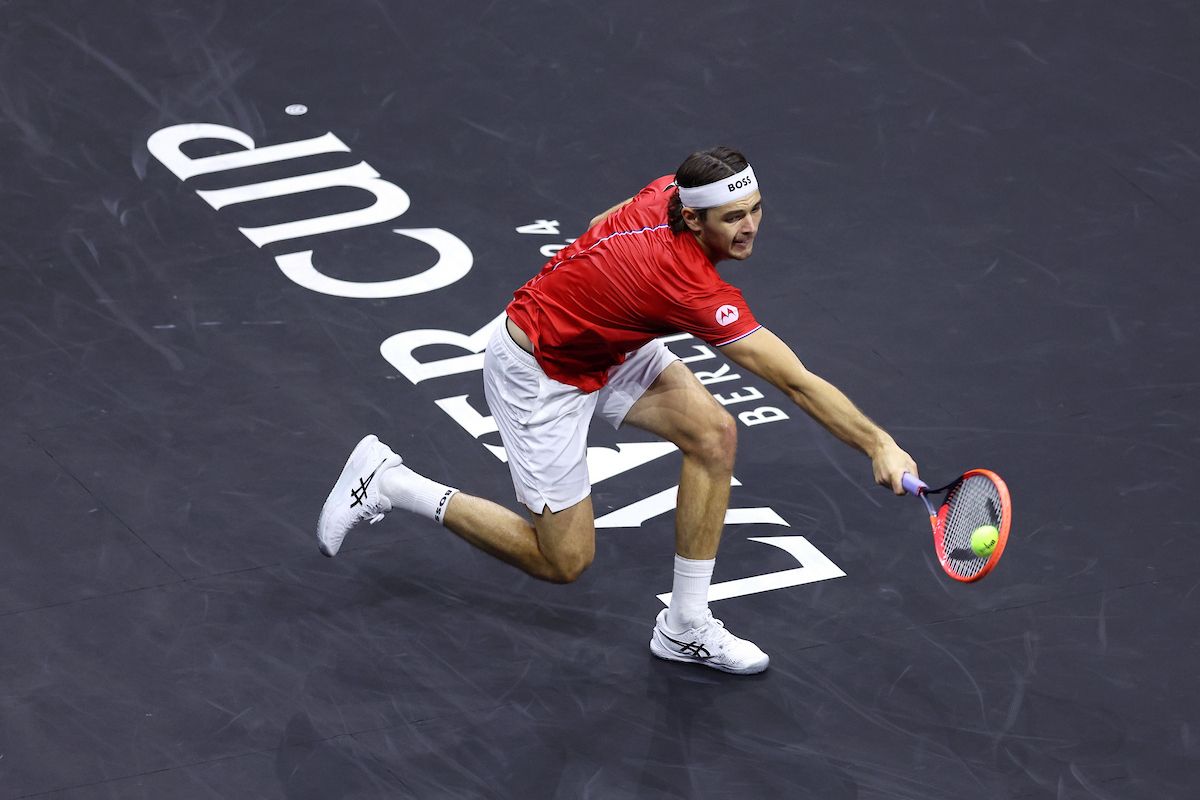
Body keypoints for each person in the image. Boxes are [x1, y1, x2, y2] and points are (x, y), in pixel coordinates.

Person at [318, 146, 919, 675]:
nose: (750, 228)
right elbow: (795, 382)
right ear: (692, 217)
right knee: (562, 561)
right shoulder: (688, 287)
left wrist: (603, 297)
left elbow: (601, 220)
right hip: (539, 374)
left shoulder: (671, 189)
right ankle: (392, 482)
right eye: (734, 217)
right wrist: (878, 444)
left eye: (756, 209)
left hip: (608, 346)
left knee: (712, 436)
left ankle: (685, 628)